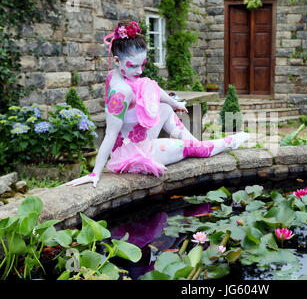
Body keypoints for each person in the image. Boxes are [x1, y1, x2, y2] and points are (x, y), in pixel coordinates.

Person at [66, 21, 249, 188]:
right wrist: (95, 173)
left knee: (165, 108)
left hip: (138, 138)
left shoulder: (119, 74)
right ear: (116, 60)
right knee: (188, 148)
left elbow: (149, 86)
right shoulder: (120, 92)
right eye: (133, 66)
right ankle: (228, 142)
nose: (139, 71)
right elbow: (110, 134)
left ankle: (195, 144)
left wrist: (174, 102)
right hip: (136, 154)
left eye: (142, 65)